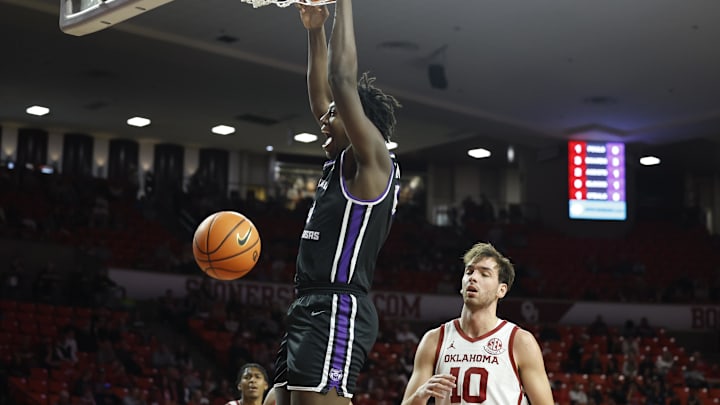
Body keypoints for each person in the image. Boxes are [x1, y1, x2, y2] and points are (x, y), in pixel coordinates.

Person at [272, 0, 401, 404]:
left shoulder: (374, 163)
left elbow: (341, 82)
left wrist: (342, 4)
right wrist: (314, 29)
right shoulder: (339, 164)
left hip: (335, 307)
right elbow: (322, 98)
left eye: (334, 116)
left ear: (360, 119)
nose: (322, 121)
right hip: (308, 305)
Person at [400, 242, 553, 405]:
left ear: (501, 290)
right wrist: (420, 396)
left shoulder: (520, 341)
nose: (473, 277)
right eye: (469, 271)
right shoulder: (434, 339)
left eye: (484, 274)